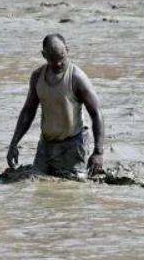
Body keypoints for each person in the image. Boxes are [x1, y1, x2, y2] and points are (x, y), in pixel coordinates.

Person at [7, 34, 106, 179]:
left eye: (62, 58)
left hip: (73, 145)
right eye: (53, 59)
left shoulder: (76, 77)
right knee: (34, 184)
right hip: (46, 147)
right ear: (44, 55)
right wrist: (13, 144)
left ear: (67, 50)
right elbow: (28, 111)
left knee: (74, 186)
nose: (59, 63)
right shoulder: (37, 77)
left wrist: (98, 152)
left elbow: (97, 113)